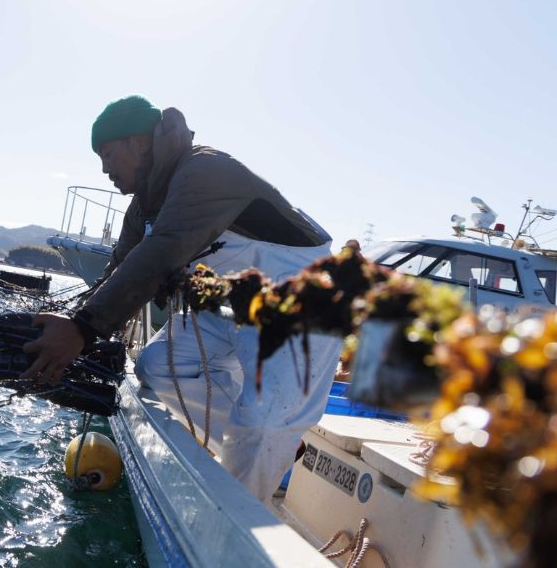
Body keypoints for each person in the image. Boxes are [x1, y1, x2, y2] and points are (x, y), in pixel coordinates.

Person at [22, 95, 341, 503]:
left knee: (263, 422)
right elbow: (121, 266)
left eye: (107, 153)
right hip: (229, 303)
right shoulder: (144, 206)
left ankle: (239, 513)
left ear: (139, 142)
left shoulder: (205, 170)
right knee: (157, 366)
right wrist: (72, 318)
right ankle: (273, 445)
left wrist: (83, 330)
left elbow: (163, 252)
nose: (104, 169)